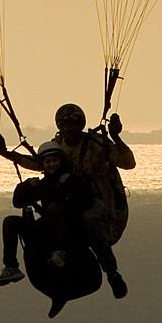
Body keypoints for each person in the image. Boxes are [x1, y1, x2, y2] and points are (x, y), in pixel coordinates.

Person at [0, 140, 104, 317]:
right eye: (47, 162)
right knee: (11, 222)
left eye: (54, 160)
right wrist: (26, 186)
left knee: (54, 209)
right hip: (46, 229)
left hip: (70, 229)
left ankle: (60, 253)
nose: (51, 165)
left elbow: (84, 201)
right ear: (43, 164)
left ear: (61, 161)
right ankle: (11, 267)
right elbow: (18, 202)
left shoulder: (73, 179)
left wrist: (67, 188)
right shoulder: (42, 184)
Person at [50, 102, 135, 276]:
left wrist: (115, 137)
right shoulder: (57, 146)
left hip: (103, 206)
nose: (69, 130)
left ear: (80, 125)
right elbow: (40, 163)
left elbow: (128, 163)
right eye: (64, 126)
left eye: (73, 125)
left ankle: (111, 271)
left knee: (88, 220)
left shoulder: (97, 144)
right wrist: (6, 153)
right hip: (73, 203)